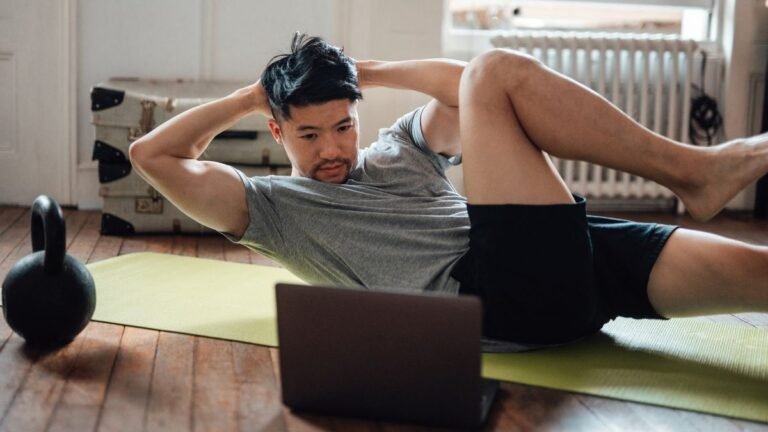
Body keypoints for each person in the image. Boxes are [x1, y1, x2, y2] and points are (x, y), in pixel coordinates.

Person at [129, 33, 768, 348]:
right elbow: (151, 155)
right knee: (496, 69)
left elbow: (463, 88)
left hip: (570, 260)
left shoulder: (400, 149)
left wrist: (365, 72)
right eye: (308, 134)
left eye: (343, 125)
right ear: (277, 129)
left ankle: (701, 172)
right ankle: (693, 171)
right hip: (493, 293)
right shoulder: (275, 209)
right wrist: (249, 94)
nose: (331, 149)